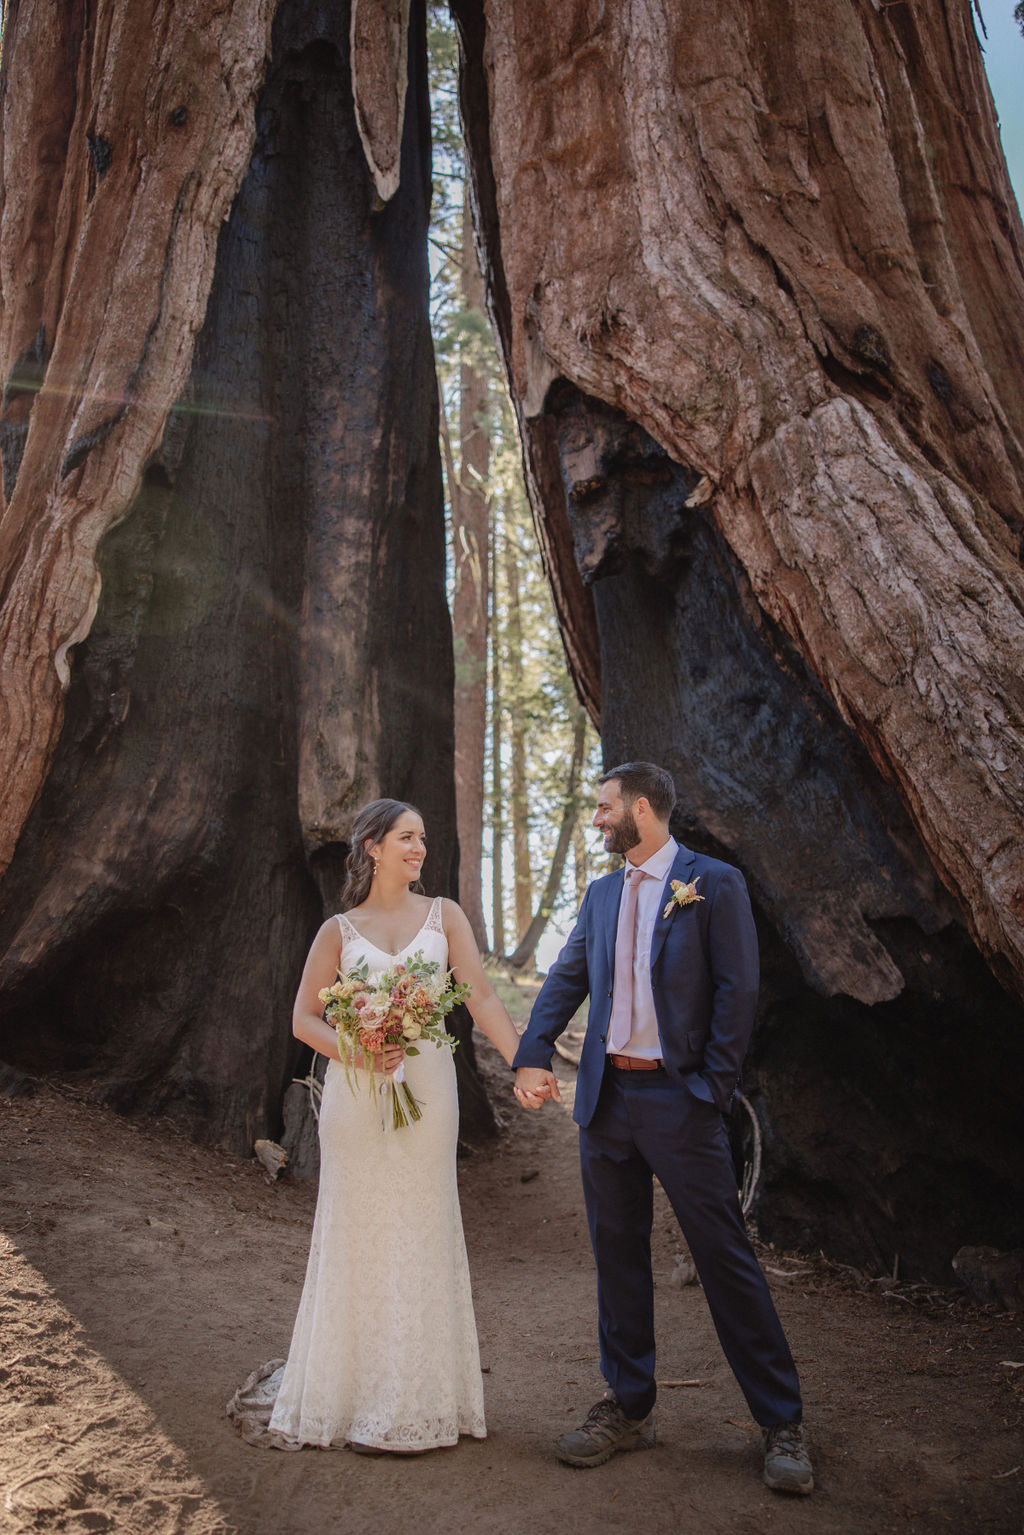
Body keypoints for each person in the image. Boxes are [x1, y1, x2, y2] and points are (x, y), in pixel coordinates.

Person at [513, 762, 813, 1495]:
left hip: (682, 1103)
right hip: (606, 1102)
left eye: (603, 807)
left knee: (723, 1258)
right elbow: (567, 975)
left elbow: (738, 991)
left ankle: (781, 1421)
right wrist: (532, 1049)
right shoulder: (602, 893)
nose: (595, 819)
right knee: (618, 1257)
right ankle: (630, 1403)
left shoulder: (714, 883)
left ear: (642, 809)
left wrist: (709, 1087)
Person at [249, 798, 527, 1454]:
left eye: (423, 838)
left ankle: (416, 1403)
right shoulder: (338, 932)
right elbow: (304, 1020)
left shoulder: (445, 916)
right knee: (359, 1235)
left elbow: (481, 995)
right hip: (356, 1098)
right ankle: (353, 1399)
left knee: (422, 1227)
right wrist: (363, 1047)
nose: (419, 847)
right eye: (407, 837)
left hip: (428, 1093)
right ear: (372, 846)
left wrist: (527, 1063)